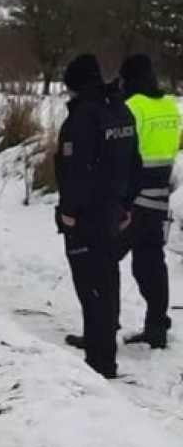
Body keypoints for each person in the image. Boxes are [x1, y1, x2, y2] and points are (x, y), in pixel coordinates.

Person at [55, 53, 141, 378]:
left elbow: (77, 170)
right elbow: (136, 162)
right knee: (107, 278)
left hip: (88, 214)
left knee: (92, 284)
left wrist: (69, 213)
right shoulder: (120, 110)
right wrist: (128, 206)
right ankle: (99, 343)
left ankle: (100, 361)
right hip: (113, 210)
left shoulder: (84, 117)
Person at [115, 54, 182, 348]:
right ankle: (156, 327)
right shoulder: (171, 106)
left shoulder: (132, 107)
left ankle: (101, 327)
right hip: (160, 198)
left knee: (104, 259)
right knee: (151, 263)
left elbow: (122, 153)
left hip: (134, 198)